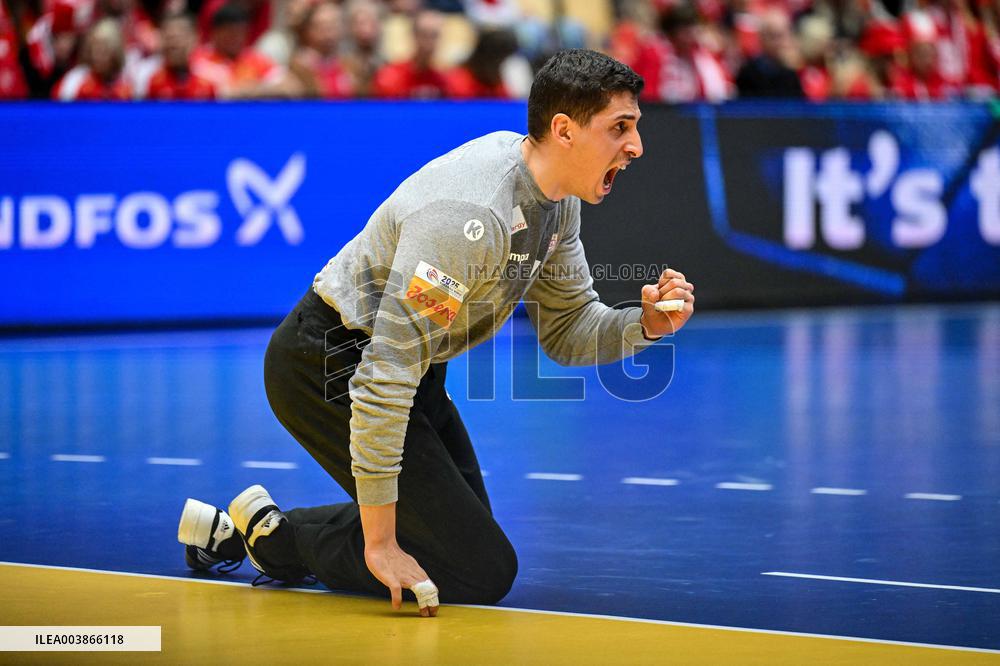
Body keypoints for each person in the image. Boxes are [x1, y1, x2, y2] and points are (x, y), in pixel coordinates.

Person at [176, 49, 696, 617]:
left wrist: (643, 325)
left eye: (636, 127)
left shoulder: (556, 199)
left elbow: (567, 329)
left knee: (455, 543)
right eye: (620, 128)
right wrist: (379, 545)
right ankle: (281, 545)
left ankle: (271, 536)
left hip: (406, 365)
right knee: (479, 568)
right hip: (325, 363)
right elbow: (383, 378)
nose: (636, 146)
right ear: (564, 130)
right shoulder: (467, 221)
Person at [372, 8, 447, 99]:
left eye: (434, 35)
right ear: (413, 35)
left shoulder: (452, 79)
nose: (428, 41)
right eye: (423, 34)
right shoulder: (389, 76)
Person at [145, 12, 216, 100]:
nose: (174, 43)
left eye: (179, 36)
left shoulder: (211, 78)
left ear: (195, 38)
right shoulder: (149, 79)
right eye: (169, 37)